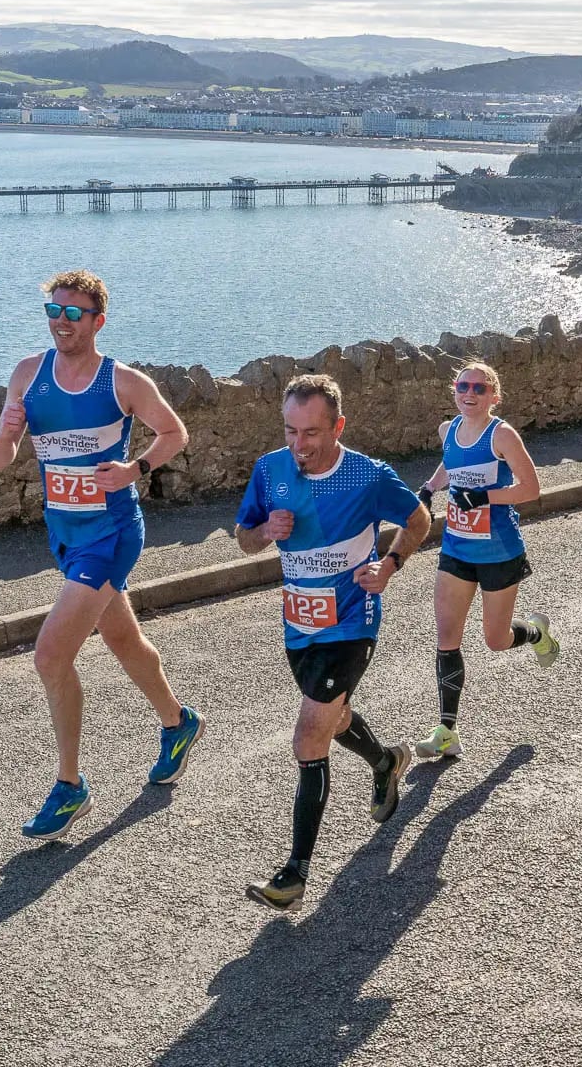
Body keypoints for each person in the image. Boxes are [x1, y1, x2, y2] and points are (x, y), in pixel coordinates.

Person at [0, 270, 205, 840]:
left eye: (74, 314)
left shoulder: (122, 382)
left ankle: (70, 786)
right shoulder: (27, 375)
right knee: (123, 639)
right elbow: (0, 459)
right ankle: (178, 722)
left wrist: (135, 469)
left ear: (97, 321)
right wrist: (5, 431)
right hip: (64, 533)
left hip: (112, 533)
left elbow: (174, 433)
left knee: (50, 656)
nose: (62, 322)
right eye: (54, 311)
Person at [234, 374, 434, 910]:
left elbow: (419, 518)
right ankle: (385, 761)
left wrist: (390, 564)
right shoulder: (270, 470)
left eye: (311, 433)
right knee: (334, 717)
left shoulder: (368, 476)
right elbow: (243, 539)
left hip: (351, 623)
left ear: (338, 426)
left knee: (309, 734)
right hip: (299, 627)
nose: (299, 444)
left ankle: (294, 874)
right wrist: (264, 533)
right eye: (290, 431)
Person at [412, 362, 562, 761]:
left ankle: (536, 634)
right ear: (454, 389)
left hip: (499, 551)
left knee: (496, 640)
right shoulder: (448, 430)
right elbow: (451, 463)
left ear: (494, 396)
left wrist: (484, 497)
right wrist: (429, 488)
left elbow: (530, 489)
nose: (470, 393)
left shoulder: (502, 435)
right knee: (447, 638)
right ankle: (447, 730)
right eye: (463, 385)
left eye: (480, 388)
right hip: (456, 548)